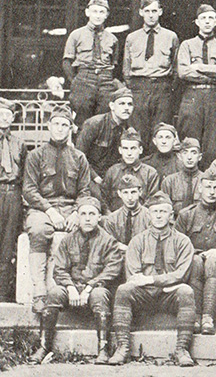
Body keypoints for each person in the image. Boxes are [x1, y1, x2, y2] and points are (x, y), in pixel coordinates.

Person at [108, 191, 197, 366]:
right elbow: (133, 276)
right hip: (145, 295)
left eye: (163, 211)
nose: (158, 215)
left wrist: (151, 280)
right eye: (155, 211)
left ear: (171, 215)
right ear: (148, 214)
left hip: (169, 295)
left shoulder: (183, 241)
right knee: (124, 290)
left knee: (186, 291)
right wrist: (159, 282)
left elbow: (181, 274)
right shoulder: (137, 241)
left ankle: (182, 350)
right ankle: (123, 347)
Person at [29, 197, 122, 365]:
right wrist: (70, 286)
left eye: (92, 214)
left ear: (99, 217)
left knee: (100, 294)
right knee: (55, 292)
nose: (87, 218)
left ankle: (103, 348)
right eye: (83, 214)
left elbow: (112, 271)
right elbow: (60, 269)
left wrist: (90, 286)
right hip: (72, 291)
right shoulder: (68, 240)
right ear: (77, 217)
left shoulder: (108, 241)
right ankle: (44, 346)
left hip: (94, 291)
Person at [23, 107, 91, 313]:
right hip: (42, 208)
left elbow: (85, 191)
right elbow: (29, 189)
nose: (60, 129)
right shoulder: (35, 155)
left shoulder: (79, 157)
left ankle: (69, 292)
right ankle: (40, 293)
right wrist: (50, 210)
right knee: (38, 230)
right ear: (48, 126)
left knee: (83, 230)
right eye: (56, 124)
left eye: (65, 125)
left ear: (71, 128)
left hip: (70, 207)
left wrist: (76, 213)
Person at [174, 170, 216, 335]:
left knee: (213, 262)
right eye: (208, 187)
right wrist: (195, 253)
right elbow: (176, 244)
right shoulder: (186, 214)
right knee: (195, 262)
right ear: (199, 188)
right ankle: (196, 315)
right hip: (192, 261)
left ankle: (208, 316)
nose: (212, 191)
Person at [123, 0, 179, 152]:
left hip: (162, 88)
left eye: (154, 10)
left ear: (160, 12)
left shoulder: (171, 37)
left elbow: (175, 69)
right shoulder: (132, 38)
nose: (151, 14)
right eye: (147, 11)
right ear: (141, 12)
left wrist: (166, 88)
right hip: (138, 89)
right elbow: (126, 69)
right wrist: (135, 87)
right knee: (138, 131)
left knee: (160, 131)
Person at [177, 4, 216, 168]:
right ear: (197, 22)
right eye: (203, 18)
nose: (207, 22)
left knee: (213, 143)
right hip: (193, 96)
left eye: (210, 18)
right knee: (190, 141)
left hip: (215, 98)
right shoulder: (186, 45)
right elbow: (183, 72)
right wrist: (213, 73)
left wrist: (199, 67)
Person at [63, 0, 118, 128]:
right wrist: (75, 81)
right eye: (94, 11)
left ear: (107, 15)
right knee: (82, 122)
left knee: (103, 121)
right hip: (84, 80)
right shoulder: (76, 35)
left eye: (101, 12)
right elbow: (67, 61)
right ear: (87, 12)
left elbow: (115, 64)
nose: (97, 15)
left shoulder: (113, 39)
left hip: (105, 81)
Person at [76, 87, 134, 199]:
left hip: (114, 177)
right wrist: (95, 177)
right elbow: (78, 156)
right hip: (90, 176)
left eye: (130, 104)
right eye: (122, 103)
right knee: (102, 201)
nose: (126, 108)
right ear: (112, 106)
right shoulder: (94, 124)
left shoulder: (130, 129)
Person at [0, 98, 26, 301]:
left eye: (8, 114)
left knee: (8, 244)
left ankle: (2, 293)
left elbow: (24, 173)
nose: (4, 118)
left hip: (13, 194)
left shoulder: (19, 143)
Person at [101, 127, 160, 214]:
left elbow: (152, 202)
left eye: (133, 148)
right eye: (125, 148)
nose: (129, 153)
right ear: (120, 150)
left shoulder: (150, 173)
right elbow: (103, 199)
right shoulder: (112, 172)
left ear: (140, 150)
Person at [103, 174, 151, 264]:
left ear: (140, 192)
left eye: (133, 192)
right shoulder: (112, 219)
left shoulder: (149, 217)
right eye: (125, 192)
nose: (129, 198)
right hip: (118, 262)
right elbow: (108, 244)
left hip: (143, 261)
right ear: (119, 194)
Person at [161, 137, 203, 215]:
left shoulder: (205, 181)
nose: (189, 157)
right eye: (185, 152)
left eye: (193, 153)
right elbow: (164, 210)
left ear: (199, 157)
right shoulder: (169, 181)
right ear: (179, 156)